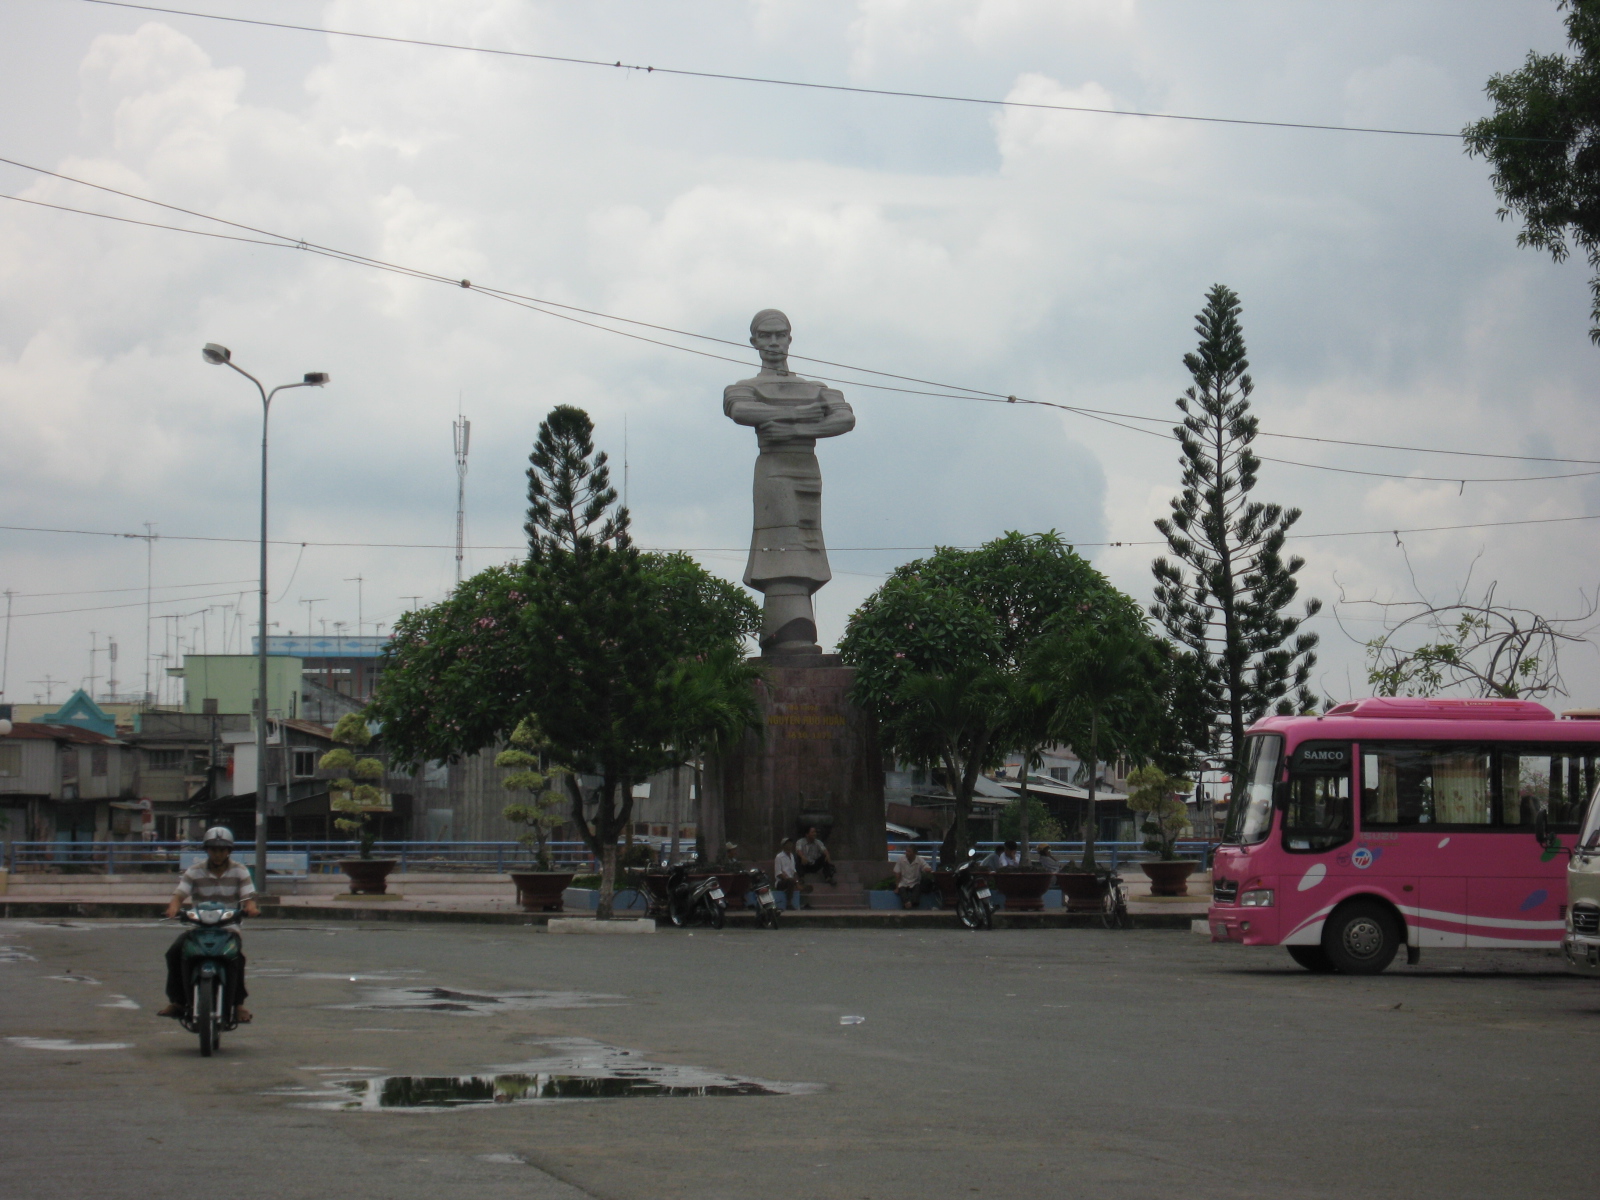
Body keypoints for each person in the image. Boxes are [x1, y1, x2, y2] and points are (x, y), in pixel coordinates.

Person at [158, 827, 259, 1022]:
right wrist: (173, 908)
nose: (218, 854)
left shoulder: (240, 870)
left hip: (228, 928)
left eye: (222, 850)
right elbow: (179, 894)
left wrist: (251, 907)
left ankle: (238, 1005)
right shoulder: (194, 871)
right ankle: (178, 1001)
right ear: (207, 850)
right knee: (175, 953)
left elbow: (249, 897)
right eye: (213, 849)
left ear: (229, 851)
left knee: (236, 958)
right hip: (198, 927)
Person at [773, 838, 802, 910]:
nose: (790, 845)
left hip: (791, 880)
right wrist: (790, 880)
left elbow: (794, 871)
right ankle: (788, 903)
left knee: (798, 881)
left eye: (790, 843)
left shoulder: (792, 856)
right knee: (790, 881)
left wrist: (797, 882)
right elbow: (778, 873)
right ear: (783, 846)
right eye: (787, 844)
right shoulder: (779, 857)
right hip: (781, 882)